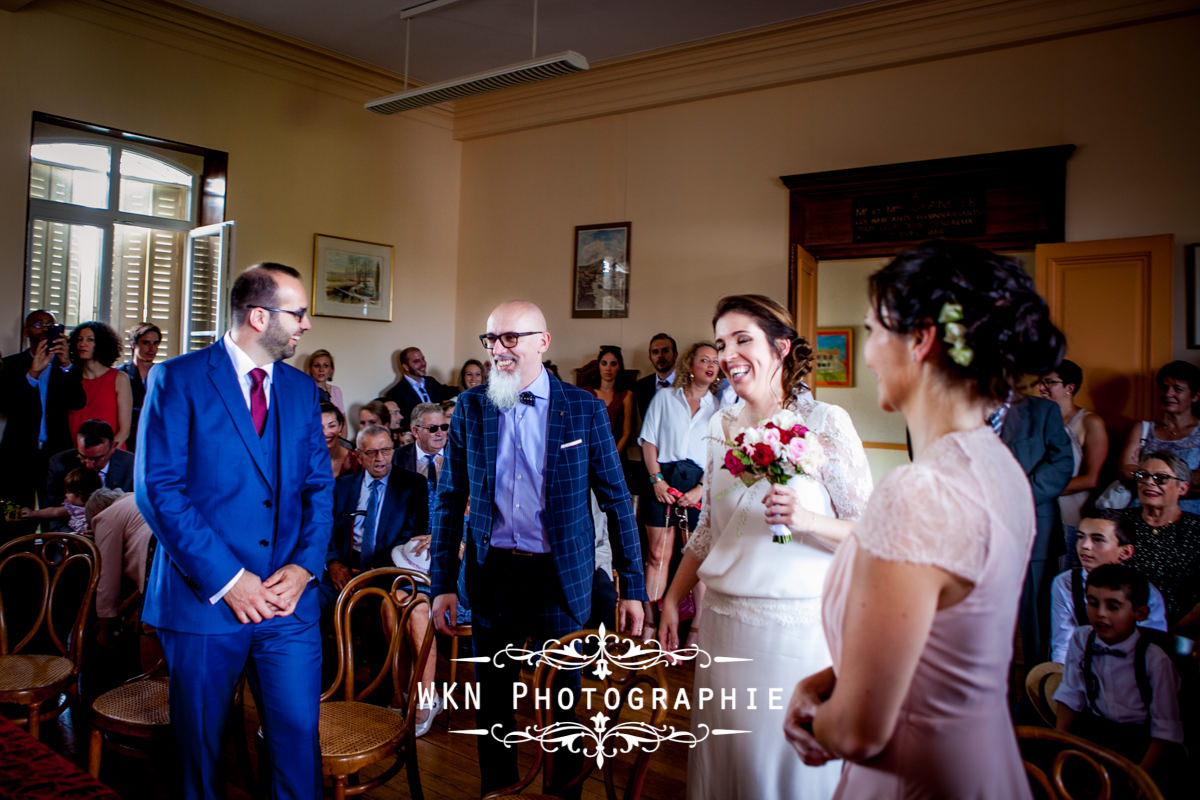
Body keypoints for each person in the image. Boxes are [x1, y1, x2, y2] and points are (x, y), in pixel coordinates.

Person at [785, 240, 1064, 798]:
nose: (865, 355)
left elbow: (862, 733)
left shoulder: (920, 490)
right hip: (984, 759)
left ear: (920, 340)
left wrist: (810, 718)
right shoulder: (999, 466)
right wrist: (824, 680)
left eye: (871, 332)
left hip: (917, 777)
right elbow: (940, 637)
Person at [657, 296, 871, 800]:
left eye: (742, 340)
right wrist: (671, 597)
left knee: (777, 767)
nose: (728, 354)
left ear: (781, 347)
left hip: (796, 635)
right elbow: (708, 528)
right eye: (722, 343)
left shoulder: (826, 423)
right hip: (724, 628)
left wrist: (808, 520)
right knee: (726, 761)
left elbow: (873, 533)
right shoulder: (719, 427)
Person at [429, 300, 646, 797]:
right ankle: (496, 793)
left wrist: (632, 587)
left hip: (559, 578)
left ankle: (563, 794)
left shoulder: (585, 409)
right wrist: (442, 583)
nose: (498, 350)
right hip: (491, 576)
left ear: (542, 343)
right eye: (490, 340)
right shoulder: (470, 407)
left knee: (564, 706)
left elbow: (616, 501)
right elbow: (448, 500)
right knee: (495, 705)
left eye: (511, 338)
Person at [136, 262, 333, 800]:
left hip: (289, 606)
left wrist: (304, 566)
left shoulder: (298, 389)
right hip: (205, 602)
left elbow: (319, 488)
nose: (307, 325)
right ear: (258, 315)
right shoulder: (176, 378)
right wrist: (229, 579)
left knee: (297, 740)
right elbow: (159, 490)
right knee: (199, 753)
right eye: (298, 313)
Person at [320, 424, 437, 734]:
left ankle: (393, 692)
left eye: (386, 450)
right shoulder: (343, 487)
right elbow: (326, 531)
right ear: (358, 455)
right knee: (310, 601)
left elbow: (412, 536)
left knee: (391, 604)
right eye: (371, 452)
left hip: (389, 569)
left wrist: (373, 571)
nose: (380, 458)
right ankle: (324, 688)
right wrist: (333, 563)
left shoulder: (412, 485)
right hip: (345, 570)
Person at [1054, 564, 1183, 777]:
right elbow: (1070, 694)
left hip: (1142, 743)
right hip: (1097, 733)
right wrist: (1059, 742)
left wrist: (1140, 774)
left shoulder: (1155, 660)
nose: (1100, 614)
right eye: (1093, 604)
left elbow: (1165, 730)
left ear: (1140, 613)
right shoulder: (1081, 639)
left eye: (1113, 606)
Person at [638, 342, 720, 646]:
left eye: (715, 361)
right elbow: (648, 442)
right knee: (658, 553)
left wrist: (701, 490)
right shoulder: (664, 398)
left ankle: (696, 627)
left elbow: (718, 458)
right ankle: (650, 621)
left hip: (697, 482)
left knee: (695, 557)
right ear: (690, 364)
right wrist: (657, 480)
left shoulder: (719, 408)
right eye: (704, 360)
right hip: (662, 478)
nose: (711, 365)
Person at [994, 389, 1074, 664]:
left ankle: (1035, 695)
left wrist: (1017, 494)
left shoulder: (1042, 410)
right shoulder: (958, 406)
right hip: (977, 530)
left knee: (1036, 621)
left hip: (1033, 527)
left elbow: (1062, 462)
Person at [1049, 508, 1167, 663]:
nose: (1085, 546)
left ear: (1125, 552)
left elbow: (1152, 647)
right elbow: (1063, 644)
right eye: (1080, 537)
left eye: (1097, 539)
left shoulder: (1145, 591)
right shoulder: (1065, 583)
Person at [0, 310, 85, 520]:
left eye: (50, 324)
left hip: (56, 452)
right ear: (26, 331)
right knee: (15, 515)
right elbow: (7, 407)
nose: (45, 329)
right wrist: (33, 375)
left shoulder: (66, 366)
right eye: (38, 324)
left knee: (57, 513)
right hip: (19, 451)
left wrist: (67, 365)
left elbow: (77, 402)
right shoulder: (11, 365)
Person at [1039, 359, 1109, 563]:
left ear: (1070, 387)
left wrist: (1039, 489)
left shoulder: (1090, 422)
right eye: (1041, 382)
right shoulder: (1038, 420)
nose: (1042, 388)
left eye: (1049, 382)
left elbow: (1091, 479)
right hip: (1039, 508)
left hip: (1071, 510)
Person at [1121, 451, 1200, 631]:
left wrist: (1168, 633)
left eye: (1161, 478)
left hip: (1181, 633)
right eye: (1143, 476)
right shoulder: (1118, 523)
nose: (1149, 482)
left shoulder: (1196, 530)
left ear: (1183, 488)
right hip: (1121, 630)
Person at [1119, 360, 1200, 514]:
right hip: (1142, 513)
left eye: (1177, 389)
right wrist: (1182, 480)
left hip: (1189, 517)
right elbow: (1125, 471)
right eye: (1164, 388)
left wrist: (1145, 475)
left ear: (1195, 396)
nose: (1168, 393)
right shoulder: (1143, 429)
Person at [86, 489, 154, 644]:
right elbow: (146, 581)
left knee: (147, 629)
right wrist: (121, 609)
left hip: (156, 562)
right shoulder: (133, 498)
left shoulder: (105, 517)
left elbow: (106, 579)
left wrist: (104, 629)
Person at [44, 419, 135, 528]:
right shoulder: (59, 464)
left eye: (97, 459)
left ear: (113, 447)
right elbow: (51, 517)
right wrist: (74, 538)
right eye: (83, 457)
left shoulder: (131, 465)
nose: (89, 465)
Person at [66, 321, 132, 449]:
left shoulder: (119, 378)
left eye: (90, 340)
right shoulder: (70, 379)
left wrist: (103, 456)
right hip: (74, 456)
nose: (82, 344)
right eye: (80, 339)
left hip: (110, 456)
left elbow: (124, 431)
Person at [118, 322, 161, 453]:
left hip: (155, 441)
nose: (151, 348)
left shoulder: (163, 375)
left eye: (155, 343)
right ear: (133, 344)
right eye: (146, 343)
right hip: (127, 443)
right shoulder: (120, 375)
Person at [23, 466, 101, 533]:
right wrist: (33, 513)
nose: (65, 495)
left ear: (80, 494)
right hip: (74, 540)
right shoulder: (72, 508)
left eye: (69, 492)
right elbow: (54, 511)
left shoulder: (98, 507)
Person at [386, 347, 450, 422]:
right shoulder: (395, 394)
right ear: (406, 367)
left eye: (423, 359)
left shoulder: (431, 382)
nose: (423, 363)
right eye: (416, 361)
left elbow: (451, 391)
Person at [633, 333, 678, 420]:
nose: (660, 356)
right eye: (655, 352)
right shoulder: (641, 386)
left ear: (675, 355)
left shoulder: (687, 383)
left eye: (665, 351)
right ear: (650, 358)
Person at [320, 402, 360, 479]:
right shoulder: (306, 460)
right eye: (320, 427)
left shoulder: (356, 460)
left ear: (340, 426)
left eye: (332, 426)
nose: (326, 432)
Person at [307, 348, 344, 414]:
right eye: (317, 366)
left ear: (331, 369)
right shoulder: (305, 391)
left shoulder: (336, 391)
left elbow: (342, 421)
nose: (321, 370)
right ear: (310, 369)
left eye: (325, 366)